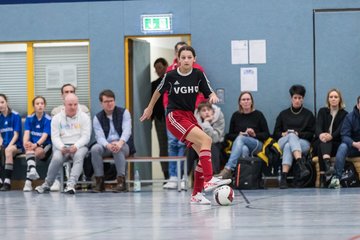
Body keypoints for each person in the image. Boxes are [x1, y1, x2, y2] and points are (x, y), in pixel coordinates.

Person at [140, 46, 231, 205]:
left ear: (194, 59)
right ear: (178, 60)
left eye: (189, 57)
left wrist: (213, 95)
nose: (186, 60)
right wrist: (149, 108)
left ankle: (196, 194)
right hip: (175, 116)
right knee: (206, 140)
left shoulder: (198, 74)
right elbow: (158, 92)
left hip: (189, 116)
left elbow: (208, 90)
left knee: (203, 151)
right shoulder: (170, 75)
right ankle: (209, 180)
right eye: (183, 57)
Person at [163, 41, 206, 189]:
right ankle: (173, 176)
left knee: (184, 143)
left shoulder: (197, 70)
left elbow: (201, 91)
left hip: (189, 111)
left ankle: (183, 176)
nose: (185, 58)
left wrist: (194, 106)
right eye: (180, 53)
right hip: (172, 111)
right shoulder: (170, 70)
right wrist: (167, 107)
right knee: (172, 143)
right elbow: (165, 92)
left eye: (188, 55)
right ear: (177, 55)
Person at [35, 94, 91, 194]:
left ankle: (71, 185)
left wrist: (76, 146)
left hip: (79, 146)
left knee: (78, 156)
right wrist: (61, 147)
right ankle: (47, 184)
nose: (73, 107)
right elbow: (55, 137)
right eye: (70, 104)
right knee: (56, 158)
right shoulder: (56, 118)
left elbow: (86, 136)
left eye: (75, 104)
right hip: (62, 146)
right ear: (64, 104)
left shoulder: (84, 117)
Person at [91, 89, 136, 193]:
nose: (109, 103)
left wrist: (119, 143)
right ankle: (99, 182)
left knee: (117, 149)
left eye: (111, 101)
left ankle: (121, 182)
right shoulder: (97, 117)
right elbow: (99, 136)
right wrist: (108, 145)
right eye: (106, 101)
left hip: (123, 145)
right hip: (107, 145)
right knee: (95, 149)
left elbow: (127, 131)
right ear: (101, 103)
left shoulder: (124, 112)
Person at [217, 91, 270, 179]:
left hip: (256, 144)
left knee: (241, 139)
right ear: (240, 102)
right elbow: (230, 135)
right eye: (243, 100)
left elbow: (267, 134)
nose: (246, 101)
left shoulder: (258, 114)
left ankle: (228, 168)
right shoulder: (235, 115)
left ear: (251, 101)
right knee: (244, 149)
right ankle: (244, 178)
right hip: (240, 144)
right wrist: (239, 134)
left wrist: (254, 134)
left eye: (248, 99)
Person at [273, 85, 315, 189]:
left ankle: (283, 178)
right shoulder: (283, 114)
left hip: (303, 143)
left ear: (303, 99)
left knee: (289, 146)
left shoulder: (308, 115)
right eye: (295, 98)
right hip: (283, 141)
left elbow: (312, 134)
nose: (297, 100)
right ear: (291, 98)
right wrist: (283, 134)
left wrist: (298, 134)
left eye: (299, 98)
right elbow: (275, 133)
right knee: (289, 138)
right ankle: (301, 164)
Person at [50, 83, 90, 191]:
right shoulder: (56, 112)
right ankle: (57, 180)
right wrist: (62, 146)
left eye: (71, 91)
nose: (69, 93)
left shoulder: (84, 110)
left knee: (79, 154)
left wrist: (76, 145)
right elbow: (56, 133)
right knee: (56, 152)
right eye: (66, 92)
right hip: (62, 142)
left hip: (78, 143)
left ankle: (72, 183)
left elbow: (85, 132)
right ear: (61, 95)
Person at [313, 89, 347, 188]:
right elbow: (317, 126)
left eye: (336, 97)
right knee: (322, 143)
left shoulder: (344, 114)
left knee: (322, 145)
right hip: (321, 140)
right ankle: (327, 167)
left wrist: (331, 136)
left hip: (335, 143)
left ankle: (323, 176)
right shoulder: (322, 111)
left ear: (340, 99)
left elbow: (341, 129)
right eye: (331, 97)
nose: (333, 99)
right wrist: (321, 135)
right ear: (328, 99)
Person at [329, 96, 360, 189]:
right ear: (358, 105)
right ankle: (336, 177)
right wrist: (355, 144)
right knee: (342, 147)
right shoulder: (349, 117)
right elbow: (344, 135)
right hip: (353, 147)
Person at [22, 96, 52, 192]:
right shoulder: (29, 118)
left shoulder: (48, 119)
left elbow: (44, 136)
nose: (40, 106)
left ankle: (28, 181)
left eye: (42, 103)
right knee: (28, 149)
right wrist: (25, 143)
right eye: (37, 104)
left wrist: (36, 145)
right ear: (33, 106)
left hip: (44, 145)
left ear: (44, 105)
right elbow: (26, 133)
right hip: (33, 144)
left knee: (36, 153)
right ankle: (32, 171)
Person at [187, 101, 225, 175]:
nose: (207, 112)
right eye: (203, 110)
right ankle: (185, 175)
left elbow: (215, 139)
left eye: (208, 110)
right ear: (199, 113)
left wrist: (206, 124)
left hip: (216, 143)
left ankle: (213, 176)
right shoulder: (195, 119)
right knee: (190, 147)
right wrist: (206, 124)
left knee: (211, 146)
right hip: (200, 144)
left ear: (213, 111)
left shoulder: (219, 117)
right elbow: (195, 136)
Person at [0, 94, 23, 191]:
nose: (0, 105)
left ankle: (7, 182)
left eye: (2, 102)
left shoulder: (15, 115)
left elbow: (16, 135)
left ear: (6, 102)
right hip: (4, 144)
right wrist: (1, 145)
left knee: (8, 151)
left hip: (16, 146)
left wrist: (7, 147)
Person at [151, 58, 169, 180]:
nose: (158, 70)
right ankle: (166, 175)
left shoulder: (173, 80)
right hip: (160, 119)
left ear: (166, 66)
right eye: (156, 68)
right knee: (163, 147)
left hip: (173, 118)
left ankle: (178, 175)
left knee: (176, 146)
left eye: (160, 67)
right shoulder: (154, 85)